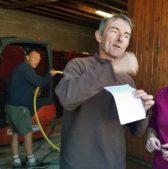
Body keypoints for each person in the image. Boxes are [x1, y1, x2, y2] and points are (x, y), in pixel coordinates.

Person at [55, 14, 155, 169]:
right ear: (99, 36)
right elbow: (67, 98)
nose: (121, 38)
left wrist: (143, 111)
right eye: (115, 31)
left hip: (114, 163)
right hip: (78, 163)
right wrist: (113, 68)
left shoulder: (127, 79)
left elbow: (136, 131)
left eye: (126, 35)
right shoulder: (79, 66)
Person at [6, 50, 56, 168]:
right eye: (35, 58)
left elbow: (23, 86)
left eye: (39, 59)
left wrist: (32, 92)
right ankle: (31, 160)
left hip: (10, 106)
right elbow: (40, 82)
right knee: (28, 133)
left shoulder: (21, 69)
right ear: (27, 57)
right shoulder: (25, 68)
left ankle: (16, 161)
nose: (37, 61)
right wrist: (50, 75)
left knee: (15, 134)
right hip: (19, 108)